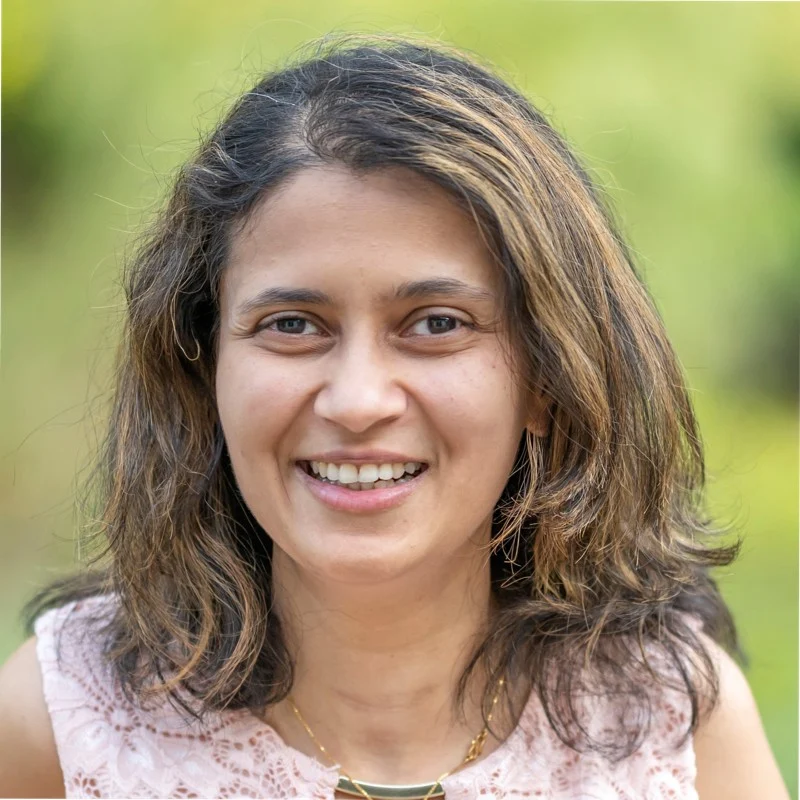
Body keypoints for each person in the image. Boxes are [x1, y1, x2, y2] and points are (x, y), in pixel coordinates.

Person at [0, 34, 788, 800]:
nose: (358, 401)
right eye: (293, 325)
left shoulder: (674, 729)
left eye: (436, 323)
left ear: (549, 378)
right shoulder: (60, 726)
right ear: (205, 369)